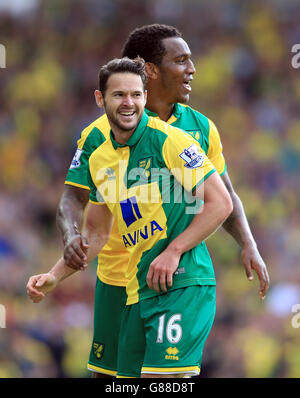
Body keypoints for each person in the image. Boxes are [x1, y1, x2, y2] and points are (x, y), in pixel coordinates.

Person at [50, 24, 270, 377]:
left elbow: (224, 196)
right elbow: (72, 198)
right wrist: (70, 236)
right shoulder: (98, 135)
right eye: (181, 60)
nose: (192, 69)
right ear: (149, 69)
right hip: (116, 278)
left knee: (165, 377)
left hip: (167, 275)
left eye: (190, 60)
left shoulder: (200, 128)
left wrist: (248, 242)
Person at [27, 57, 233, 378]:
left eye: (136, 95)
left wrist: (173, 251)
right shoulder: (99, 159)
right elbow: (96, 233)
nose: (129, 103)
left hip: (182, 281)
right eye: (119, 95)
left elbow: (221, 203)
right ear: (100, 99)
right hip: (139, 287)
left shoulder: (171, 140)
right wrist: (54, 275)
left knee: (163, 381)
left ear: (145, 98)